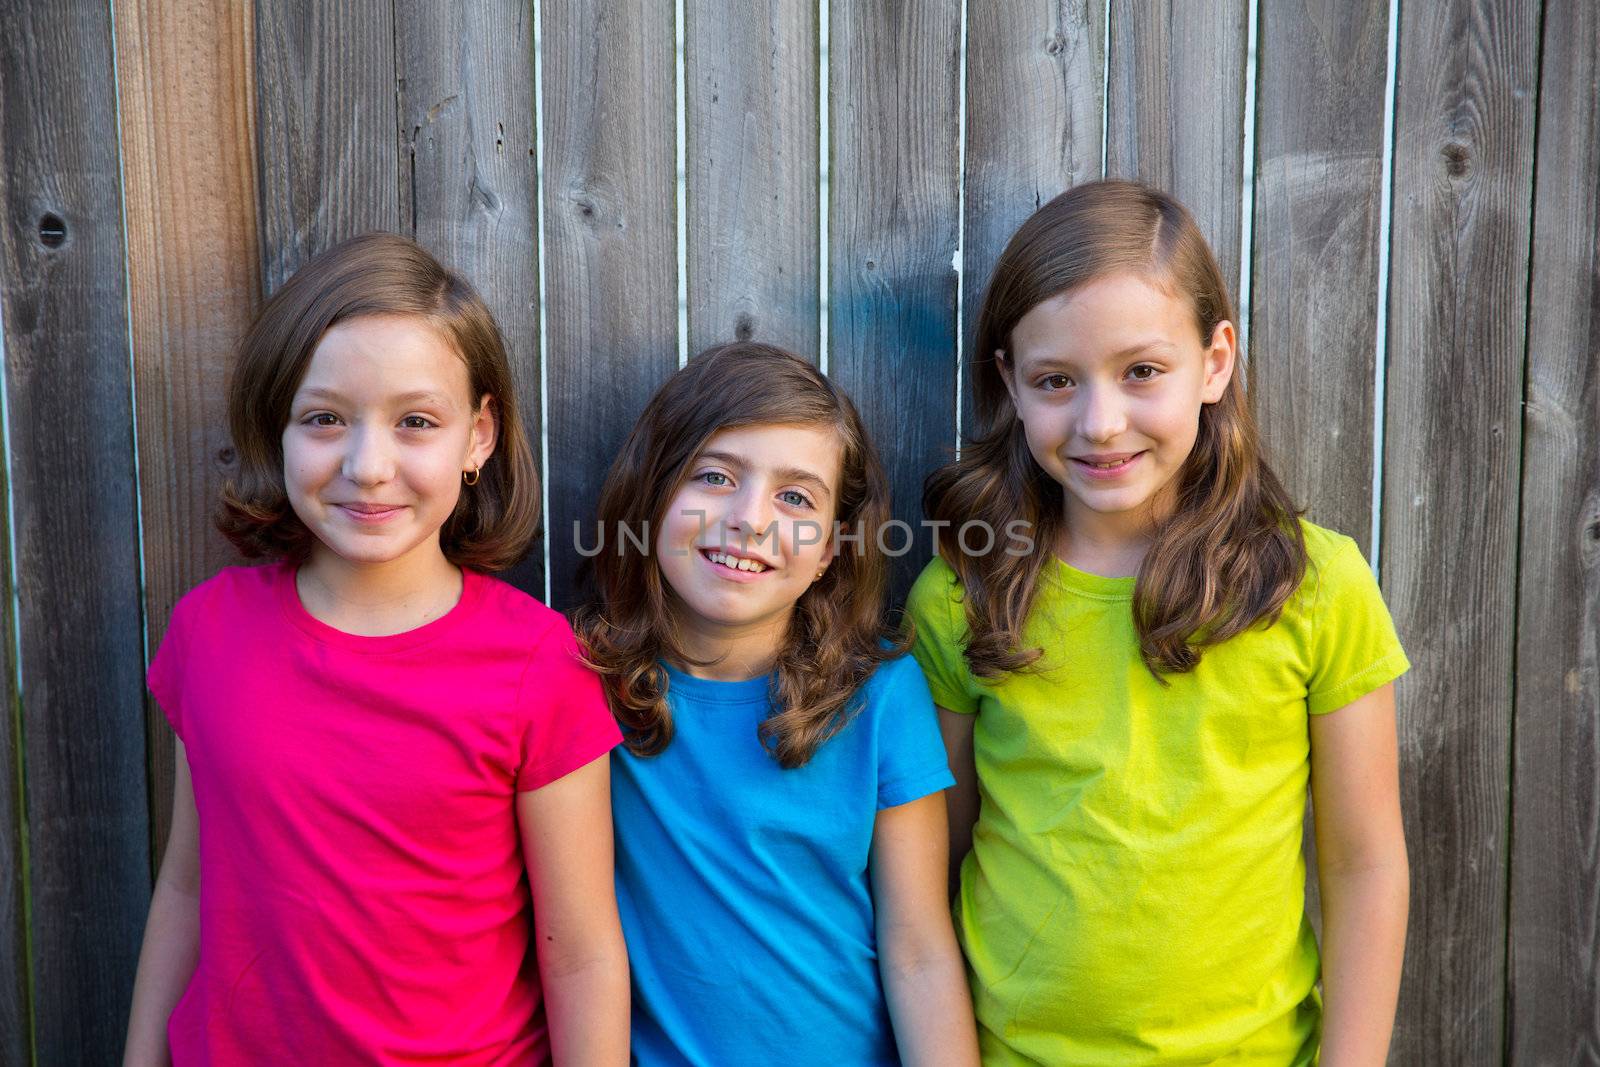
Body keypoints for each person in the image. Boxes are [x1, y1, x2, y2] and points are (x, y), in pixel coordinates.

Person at [907, 180, 1410, 1065]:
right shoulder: (963, 593)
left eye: (1142, 371)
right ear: (1010, 387)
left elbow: (1366, 865)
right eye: (1056, 381)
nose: (1101, 423)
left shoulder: (1314, 585)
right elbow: (928, 865)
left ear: (1215, 361)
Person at [123, 234, 629, 1066]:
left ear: (479, 437)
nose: (367, 465)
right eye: (324, 419)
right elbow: (186, 885)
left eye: (416, 422)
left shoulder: (540, 663)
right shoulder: (208, 632)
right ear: (275, 428)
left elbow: (580, 951)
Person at [575, 342, 980, 1066]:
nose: (749, 519)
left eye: (796, 497)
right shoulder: (586, 687)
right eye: (714, 476)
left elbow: (918, 948)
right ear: (652, 496)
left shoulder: (881, 699)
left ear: (830, 547)